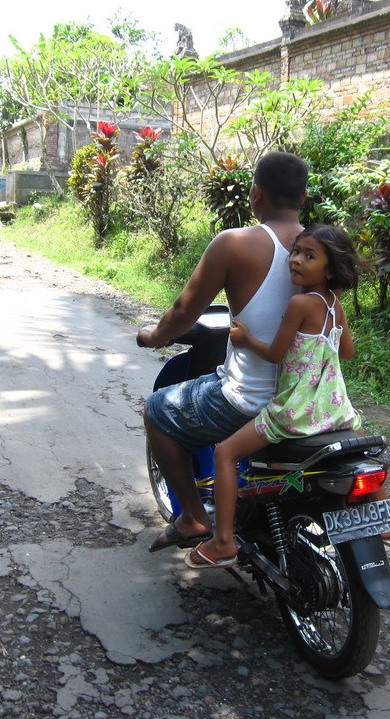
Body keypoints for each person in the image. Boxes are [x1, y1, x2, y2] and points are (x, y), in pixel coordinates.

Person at [137, 151, 308, 553]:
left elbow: (184, 311)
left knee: (157, 410)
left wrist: (154, 336)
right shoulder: (321, 246)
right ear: (302, 198)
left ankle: (194, 518)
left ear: (255, 194)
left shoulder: (234, 243)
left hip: (249, 399)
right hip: (310, 396)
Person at [184, 225, 366, 569]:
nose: (296, 260)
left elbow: (275, 354)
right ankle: (380, 525)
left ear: (329, 270)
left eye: (309, 256)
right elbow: (348, 352)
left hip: (294, 410)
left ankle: (223, 542)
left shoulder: (299, 303)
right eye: (295, 252)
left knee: (225, 453)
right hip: (333, 409)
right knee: (362, 449)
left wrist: (245, 339)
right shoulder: (334, 306)